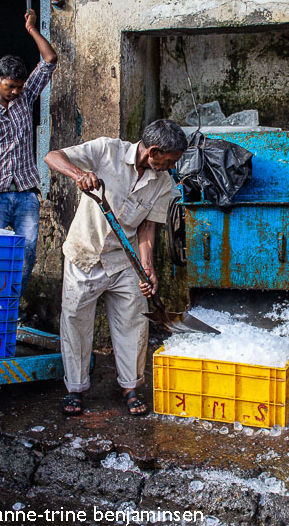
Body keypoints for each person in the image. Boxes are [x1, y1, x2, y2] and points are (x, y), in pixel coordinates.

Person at [44, 119, 187, 416]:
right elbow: (52, 156)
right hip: (85, 255)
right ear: (154, 151)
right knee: (76, 323)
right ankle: (75, 389)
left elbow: (147, 228)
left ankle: (131, 387)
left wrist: (147, 268)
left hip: (124, 260)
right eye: (170, 160)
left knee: (133, 322)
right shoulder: (106, 150)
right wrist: (79, 174)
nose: (173, 166)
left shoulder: (163, 183)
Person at [0, 9, 57, 295]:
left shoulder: (26, 97)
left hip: (26, 194)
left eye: (19, 87)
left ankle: (13, 304)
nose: (15, 92)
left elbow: (49, 60)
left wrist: (32, 29)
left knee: (26, 256)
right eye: (11, 86)